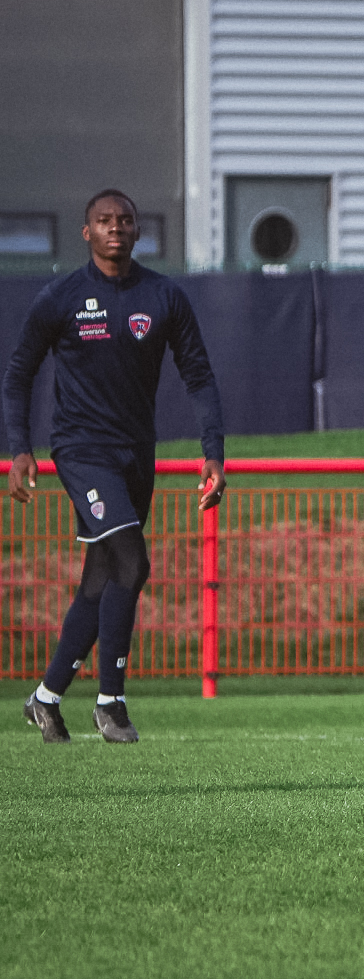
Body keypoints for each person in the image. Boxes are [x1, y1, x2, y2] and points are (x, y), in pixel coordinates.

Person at [5, 189, 226, 744]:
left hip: (136, 456)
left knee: (100, 582)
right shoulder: (61, 298)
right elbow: (19, 374)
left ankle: (46, 698)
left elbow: (198, 375)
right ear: (87, 233)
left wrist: (213, 452)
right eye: (104, 221)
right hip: (81, 452)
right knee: (133, 561)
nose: (115, 228)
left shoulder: (163, 295)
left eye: (125, 221)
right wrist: (19, 448)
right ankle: (111, 701)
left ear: (136, 231)